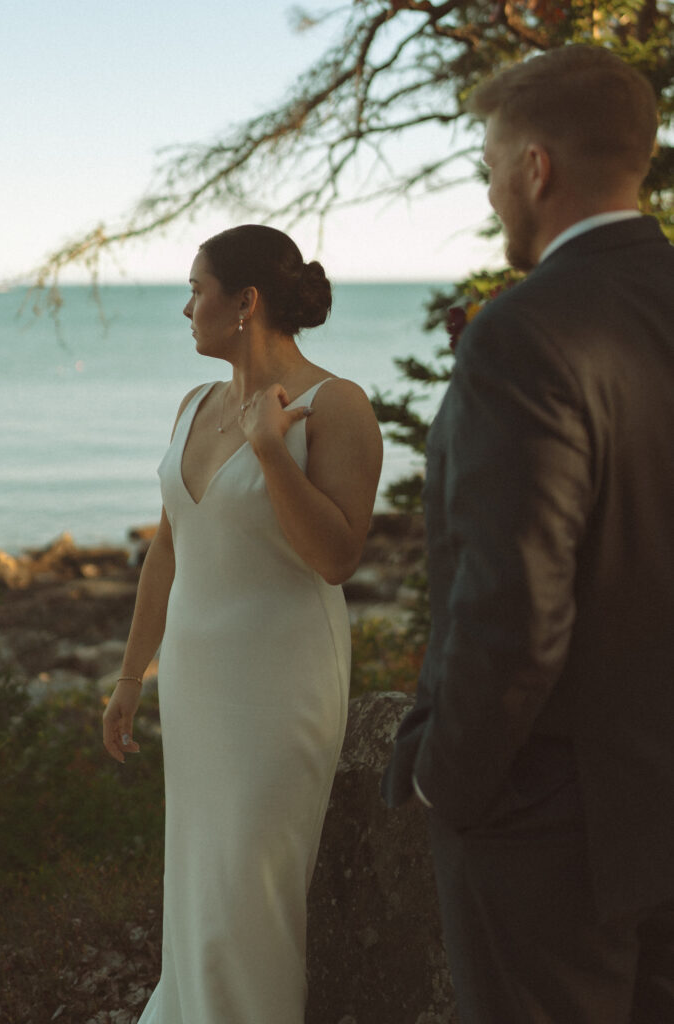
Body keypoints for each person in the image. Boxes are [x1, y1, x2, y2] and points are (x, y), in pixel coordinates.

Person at [382, 44, 674, 1023]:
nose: (493, 191)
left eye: (490, 167)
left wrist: (444, 781)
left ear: (534, 168)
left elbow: (512, 602)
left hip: (552, 829)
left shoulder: (523, 333)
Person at [102, 224, 382, 1023]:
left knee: (249, 891)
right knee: (197, 878)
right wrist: (131, 676)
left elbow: (336, 558)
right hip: (196, 683)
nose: (186, 306)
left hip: (280, 682)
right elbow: (168, 550)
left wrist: (268, 454)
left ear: (244, 302)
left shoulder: (337, 405)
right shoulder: (193, 403)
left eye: (196, 289)